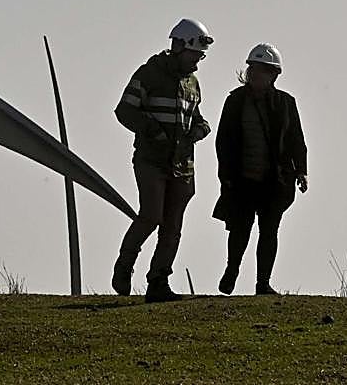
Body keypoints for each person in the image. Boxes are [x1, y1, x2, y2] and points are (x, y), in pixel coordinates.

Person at [112, 18, 214, 302]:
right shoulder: (148, 74)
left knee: (173, 227)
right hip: (151, 161)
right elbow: (124, 111)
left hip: (183, 166)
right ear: (180, 47)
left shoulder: (193, 83)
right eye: (195, 55)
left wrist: (201, 130)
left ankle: (159, 281)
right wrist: (151, 128)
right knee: (151, 216)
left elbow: (198, 118)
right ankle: (125, 263)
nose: (197, 62)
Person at [213, 43, 308, 295]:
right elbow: (223, 142)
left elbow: (296, 140)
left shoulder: (286, 103)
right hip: (242, 181)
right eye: (253, 68)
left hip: (275, 182)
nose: (256, 74)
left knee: (269, 231)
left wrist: (301, 171)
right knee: (240, 228)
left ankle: (262, 284)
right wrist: (226, 178)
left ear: (274, 75)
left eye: (263, 70)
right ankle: (231, 271)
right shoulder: (234, 101)